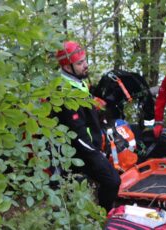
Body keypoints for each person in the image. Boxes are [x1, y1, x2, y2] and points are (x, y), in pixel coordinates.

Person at [55, 41, 120, 212]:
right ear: (68, 67)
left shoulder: (78, 82)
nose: (86, 65)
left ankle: (97, 211)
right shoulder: (65, 93)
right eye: (80, 63)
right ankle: (102, 215)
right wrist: (95, 154)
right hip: (78, 151)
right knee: (112, 181)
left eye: (85, 60)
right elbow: (76, 133)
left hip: (90, 146)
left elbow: (87, 117)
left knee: (106, 180)